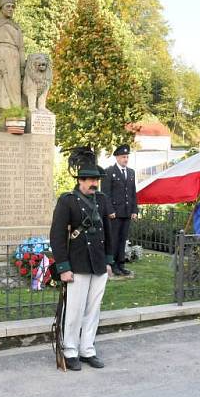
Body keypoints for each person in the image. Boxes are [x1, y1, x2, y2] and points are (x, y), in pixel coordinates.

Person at [50, 147, 114, 371]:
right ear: (80, 181)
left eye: (96, 180)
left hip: (98, 263)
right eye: (90, 180)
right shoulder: (67, 201)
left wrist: (108, 261)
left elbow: (108, 231)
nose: (94, 184)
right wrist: (63, 267)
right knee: (75, 309)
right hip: (76, 264)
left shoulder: (102, 200)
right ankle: (70, 349)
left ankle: (87, 349)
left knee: (93, 309)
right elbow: (57, 236)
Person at [102, 144, 138, 276]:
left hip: (127, 212)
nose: (126, 159)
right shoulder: (109, 172)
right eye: (123, 157)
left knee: (123, 239)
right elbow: (106, 194)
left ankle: (121, 264)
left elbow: (133, 193)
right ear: (117, 157)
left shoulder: (131, 172)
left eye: (127, 156)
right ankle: (112, 264)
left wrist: (134, 210)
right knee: (114, 239)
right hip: (115, 213)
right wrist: (110, 210)